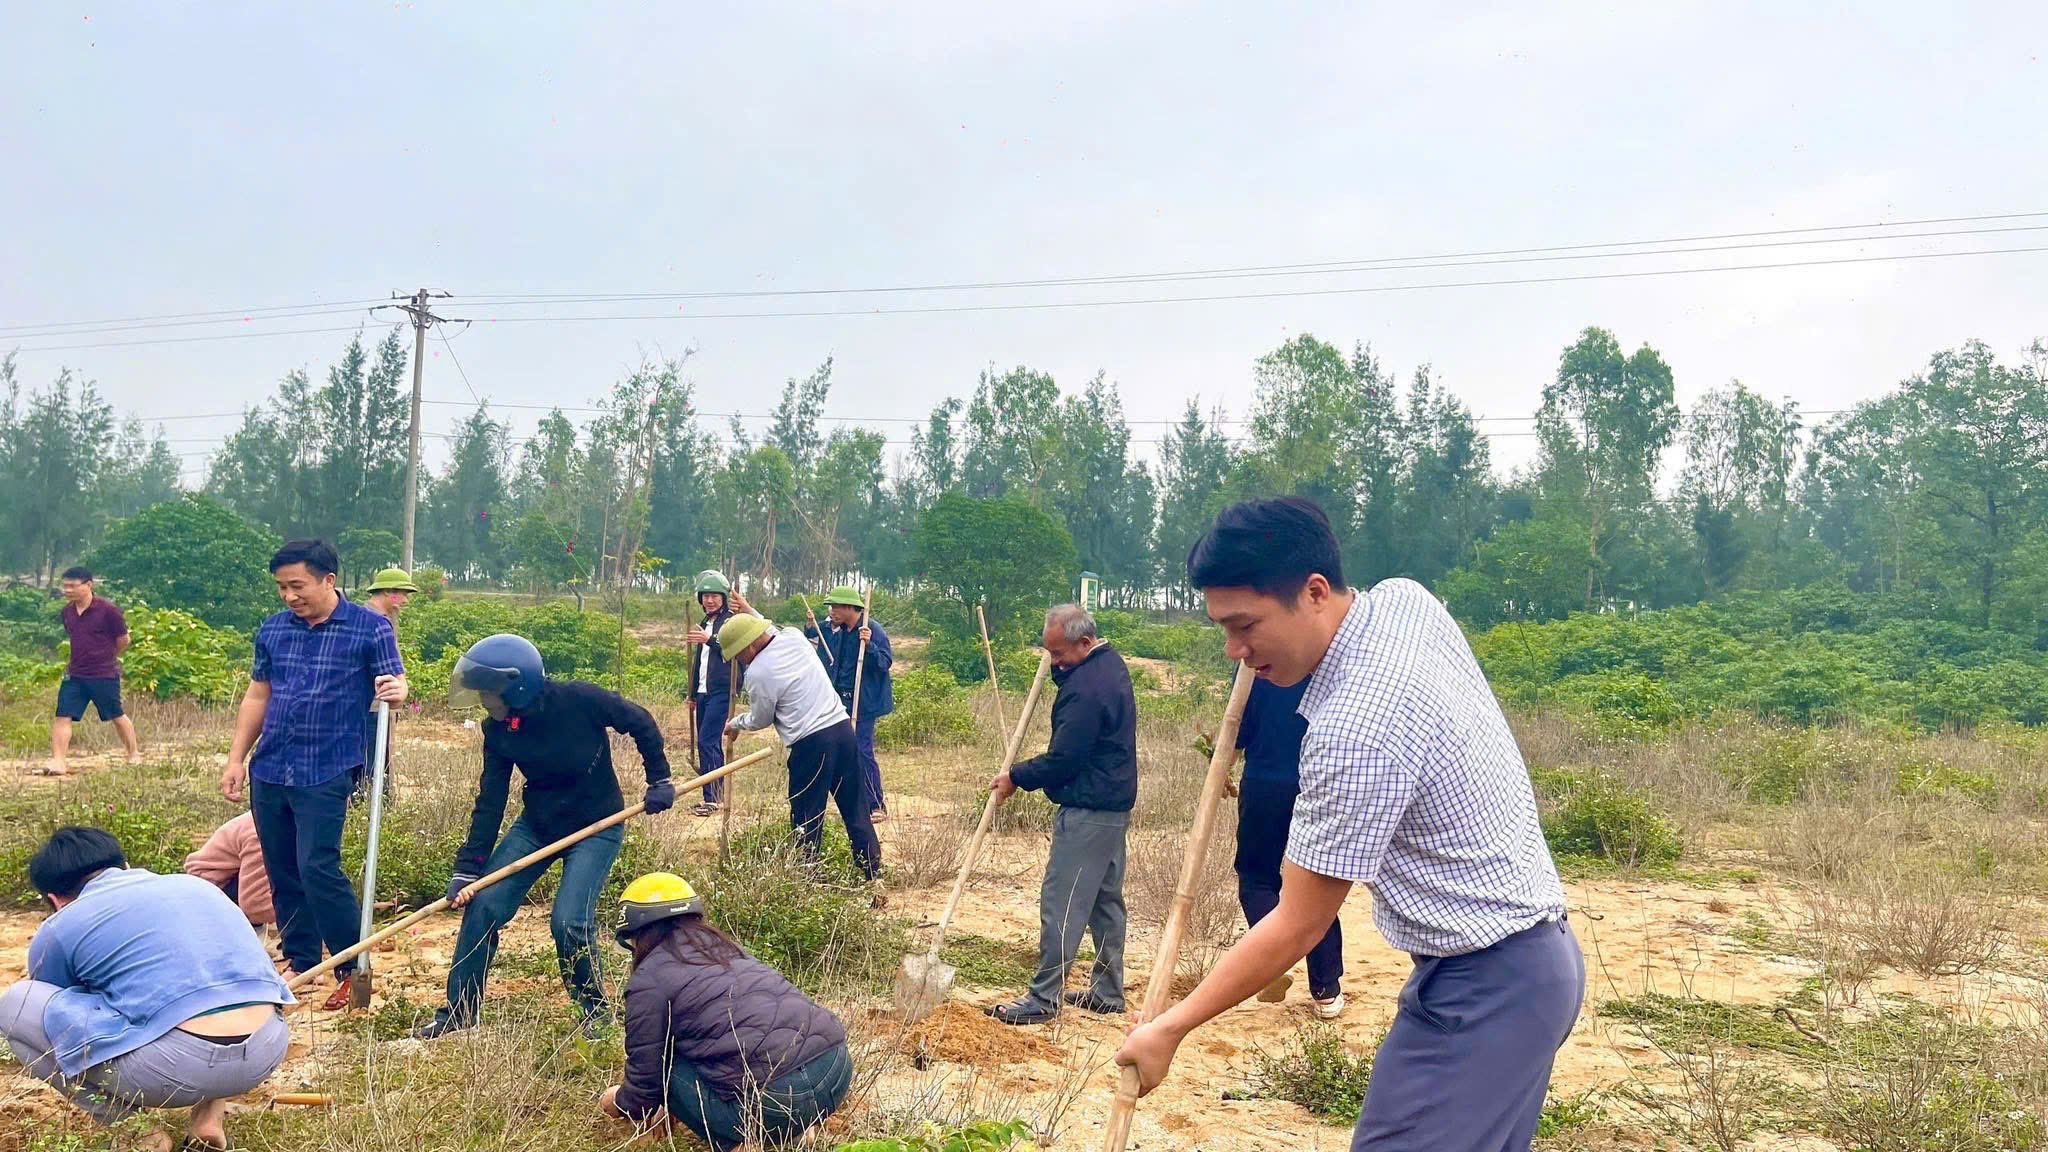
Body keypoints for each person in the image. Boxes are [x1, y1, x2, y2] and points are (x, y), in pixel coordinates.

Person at [1114, 498, 1581, 1152]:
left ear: (1314, 592)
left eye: (1246, 626)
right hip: (1530, 960)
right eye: (1223, 628)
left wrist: (1169, 1028)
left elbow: (1297, 923)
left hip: (1489, 988)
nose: (1235, 652)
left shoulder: (1354, 734)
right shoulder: (1404, 600)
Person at [417, 633, 676, 1039]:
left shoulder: (580, 700)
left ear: (516, 687)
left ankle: (595, 1018)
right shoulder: (498, 730)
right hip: (537, 827)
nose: (483, 701)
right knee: (483, 906)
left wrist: (659, 779)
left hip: (597, 827)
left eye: (488, 692)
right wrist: (468, 869)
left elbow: (639, 721)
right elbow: (490, 800)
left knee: (568, 922)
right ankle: (460, 1013)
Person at [1, 827, 292, 1152]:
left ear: (55, 900)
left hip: (172, 1069)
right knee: (210, 988)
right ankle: (209, 1120)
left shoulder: (61, 925)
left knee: (17, 1003)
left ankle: (138, 1133)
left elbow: (59, 1018)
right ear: (124, 865)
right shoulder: (199, 888)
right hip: (267, 1048)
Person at [222, 538, 407, 1013]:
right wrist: (236, 758)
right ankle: (300, 959)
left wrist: (397, 689)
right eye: (281, 587)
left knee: (317, 866)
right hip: (271, 766)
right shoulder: (273, 630)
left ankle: (350, 967)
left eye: (297, 585)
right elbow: (258, 695)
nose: (289, 595)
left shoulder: (370, 628)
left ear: (328, 580)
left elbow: (396, 682)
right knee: (281, 866)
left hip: (327, 766)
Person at [599, 873, 852, 1152]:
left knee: (667, 1064)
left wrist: (616, 1101)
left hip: (774, 1099)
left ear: (638, 933)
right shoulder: (727, 949)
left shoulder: (648, 979)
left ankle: (745, 1143)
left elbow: (644, 1087)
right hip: (835, 1070)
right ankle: (795, 1133)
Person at [985, 603, 1137, 1026]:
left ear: (1085, 642)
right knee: (1105, 902)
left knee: (1062, 903)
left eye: (1058, 654)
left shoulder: (1086, 688)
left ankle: (1043, 997)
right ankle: (1107, 992)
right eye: (1050, 653)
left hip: (1090, 810)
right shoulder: (1109, 664)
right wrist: (1062, 668)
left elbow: (1065, 759)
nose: (1053, 662)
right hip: (1112, 805)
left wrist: (1016, 776)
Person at [717, 613, 882, 882]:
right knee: (855, 807)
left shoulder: (758, 673)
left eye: (738, 655)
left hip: (811, 744)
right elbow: (770, 627)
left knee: (807, 815)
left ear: (749, 645)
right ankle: (873, 873)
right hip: (842, 731)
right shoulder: (793, 636)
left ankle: (806, 880)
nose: (739, 661)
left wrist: (735, 723)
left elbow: (761, 718)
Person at [1232, 676, 1345, 1019]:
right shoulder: (1329, 664)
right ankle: (1326, 991)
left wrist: (1223, 764)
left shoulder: (1253, 667)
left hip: (1264, 783)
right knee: (1317, 885)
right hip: (1316, 783)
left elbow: (1238, 729)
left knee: (1256, 878)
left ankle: (1273, 966)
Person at [803, 585, 893, 822]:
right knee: (837, 748)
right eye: (831, 607)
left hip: (864, 702)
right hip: (841, 700)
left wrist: (870, 645)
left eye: (836, 607)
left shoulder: (872, 629)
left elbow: (885, 663)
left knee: (862, 750)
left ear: (850, 608)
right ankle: (849, 800)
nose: (832, 611)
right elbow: (831, 658)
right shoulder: (840, 630)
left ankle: (875, 804)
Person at [46, 567, 140, 776]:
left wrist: (105, 656)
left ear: (88, 585)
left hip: (103, 674)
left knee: (116, 714)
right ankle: (59, 762)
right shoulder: (67, 612)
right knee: (63, 715)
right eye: (65, 586)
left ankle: (133, 754)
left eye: (72, 586)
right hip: (75, 674)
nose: (67, 590)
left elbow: (124, 640)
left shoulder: (108, 610)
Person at [684, 571, 759, 818]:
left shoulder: (731, 622)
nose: (709, 601)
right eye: (705, 596)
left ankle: (714, 798)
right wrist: (692, 694)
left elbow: (732, 649)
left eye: (715, 596)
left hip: (723, 690)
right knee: (706, 743)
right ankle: (711, 796)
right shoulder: (704, 622)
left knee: (708, 740)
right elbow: (699, 662)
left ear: (724, 598)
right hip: (703, 692)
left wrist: (710, 639)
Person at [184, 811, 274, 930]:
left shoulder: (272, 815)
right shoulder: (264, 830)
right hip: (209, 892)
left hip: (228, 888)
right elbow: (254, 907)